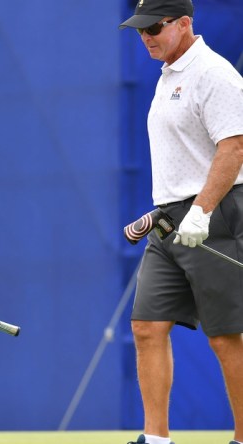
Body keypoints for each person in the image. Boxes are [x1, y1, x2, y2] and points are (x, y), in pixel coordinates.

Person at [118, 0, 243, 443]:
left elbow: (234, 148)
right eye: (140, 30)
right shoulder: (169, 74)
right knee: (146, 326)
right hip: (169, 223)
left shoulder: (213, 73)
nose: (147, 36)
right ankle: (156, 438)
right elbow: (185, 158)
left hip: (214, 216)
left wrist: (202, 210)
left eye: (155, 27)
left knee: (226, 335)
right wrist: (160, 210)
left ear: (185, 23)